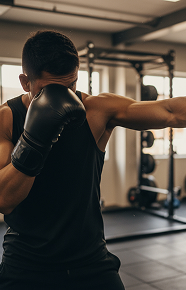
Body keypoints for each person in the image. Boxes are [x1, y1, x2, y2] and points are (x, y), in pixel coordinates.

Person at [0, 30, 186, 290]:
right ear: (25, 81)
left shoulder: (96, 110)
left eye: (70, 86)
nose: (64, 98)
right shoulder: (7, 118)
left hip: (91, 261)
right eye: (49, 90)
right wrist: (34, 139)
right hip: (25, 265)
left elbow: (170, 113)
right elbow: (4, 200)